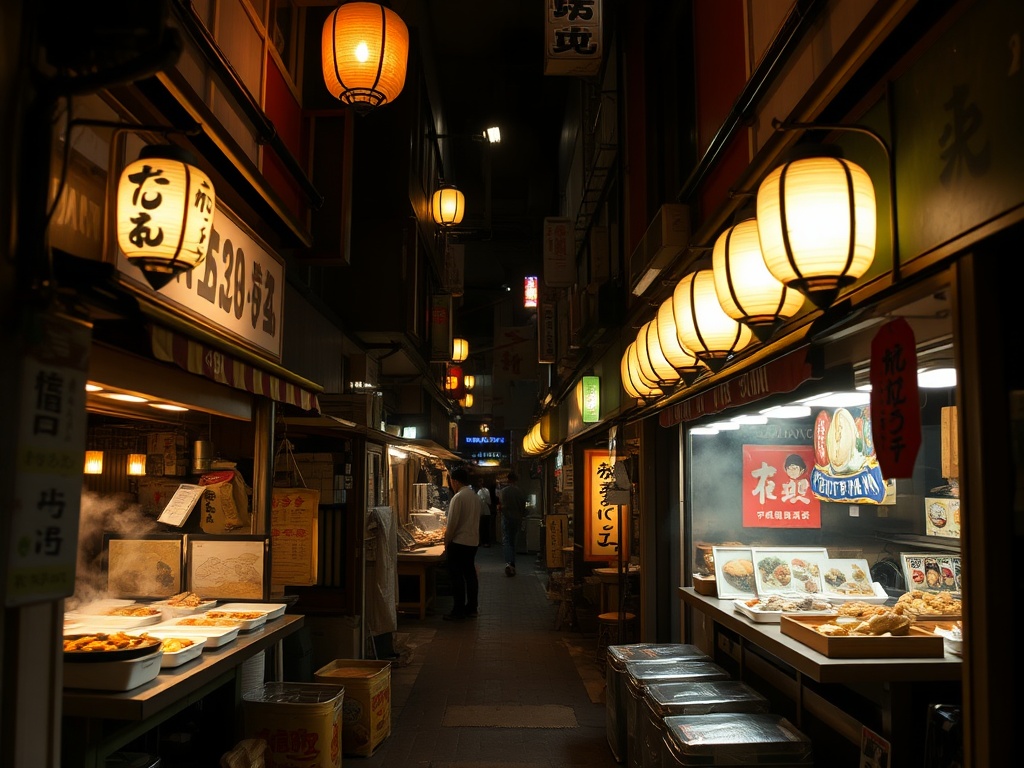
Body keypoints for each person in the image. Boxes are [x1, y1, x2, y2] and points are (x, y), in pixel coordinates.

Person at [443, 465, 480, 620]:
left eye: (451, 480)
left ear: (455, 481)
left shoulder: (458, 498)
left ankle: (458, 611)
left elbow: (452, 524)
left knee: (456, 577)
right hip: (472, 542)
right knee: (470, 575)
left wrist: (446, 541)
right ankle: (471, 608)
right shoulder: (474, 496)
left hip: (459, 543)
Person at [497, 471, 527, 577]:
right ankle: (512, 563)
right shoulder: (520, 492)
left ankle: (509, 563)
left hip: (506, 518)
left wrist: (501, 509)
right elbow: (523, 507)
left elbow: (501, 505)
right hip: (517, 519)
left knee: (507, 541)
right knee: (513, 541)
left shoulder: (503, 491)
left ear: (508, 479)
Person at [476, 480, 493, 547]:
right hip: (484, 512)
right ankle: (484, 541)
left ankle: (483, 541)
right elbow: (489, 501)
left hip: (483, 512)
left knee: (482, 528)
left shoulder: (482, 491)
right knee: (484, 528)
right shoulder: (485, 491)